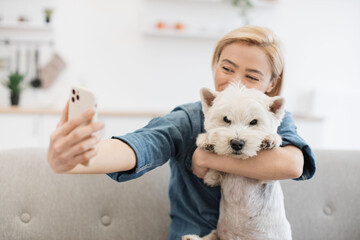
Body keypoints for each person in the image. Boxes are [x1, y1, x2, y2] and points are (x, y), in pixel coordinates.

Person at [47, 25, 316, 239]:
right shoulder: (189, 119)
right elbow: (143, 144)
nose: (235, 83)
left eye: (253, 77)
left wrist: (208, 158)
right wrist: (79, 158)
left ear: (272, 84)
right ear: (214, 65)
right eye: (227, 68)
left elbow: (292, 164)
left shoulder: (275, 116)